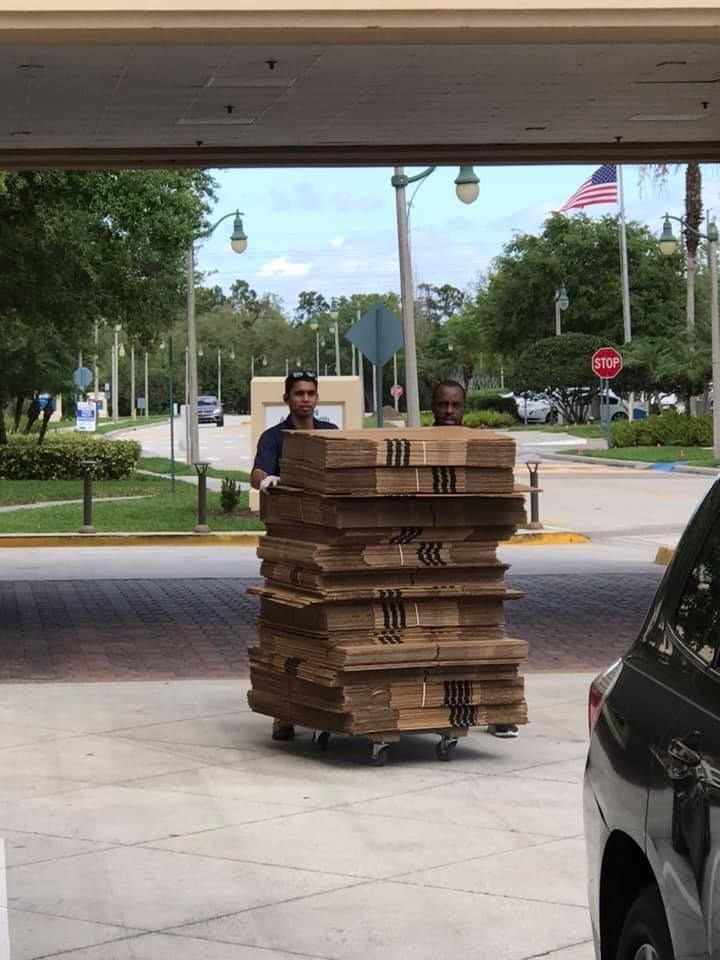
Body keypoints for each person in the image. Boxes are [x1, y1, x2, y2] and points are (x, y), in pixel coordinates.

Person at [430, 379, 519, 740]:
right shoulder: (420, 444)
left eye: (456, 405)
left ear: (463, 406)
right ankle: (436, 708)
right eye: (442, 405)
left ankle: (498, 711)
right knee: (439, 637)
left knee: (485, 633)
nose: (449, 412)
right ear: (432, 407)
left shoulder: (477, 445)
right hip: (430, 559)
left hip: (474, 557)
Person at [252, 370, 338, 740]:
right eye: (299, 393)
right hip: (290, 543)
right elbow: (257, 473)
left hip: (328, 541)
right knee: (289, 624)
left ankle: (324, 703)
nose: (305, 399)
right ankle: (284, 713)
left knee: (326, 626)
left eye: (311, 393)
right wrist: (267, 480)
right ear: (286, 398)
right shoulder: (275, 438)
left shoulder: (330, 433)